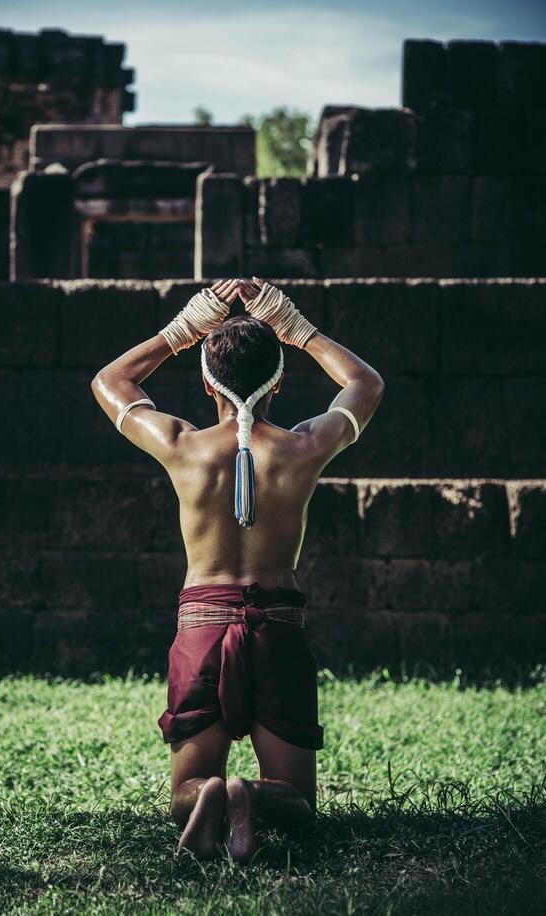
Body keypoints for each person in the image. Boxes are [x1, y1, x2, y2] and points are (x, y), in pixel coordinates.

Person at [91, 277, 384, 862]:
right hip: (277, 628)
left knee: (183, 792)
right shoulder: (303, 447)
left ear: (206, 383)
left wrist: (182, 331)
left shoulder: (180, 444)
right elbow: (364, 383)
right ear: (279, 380)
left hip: (201, 626)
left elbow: (110, 381)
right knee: (298, 804)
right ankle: (248, 793)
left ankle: (214, 795)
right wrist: (298, 329)